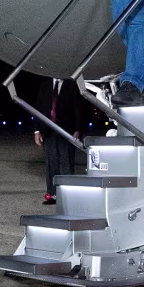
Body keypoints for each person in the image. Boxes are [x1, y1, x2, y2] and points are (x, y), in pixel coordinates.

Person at [33, 77, 82, 205]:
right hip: (48, 130)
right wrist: (37, 130)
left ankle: (68, 195)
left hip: (66, 131)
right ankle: (53, 194)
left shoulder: (72, 85)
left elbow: (78, 108)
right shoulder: (45, 86)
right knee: (51, 163)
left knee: (66, 163)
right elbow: (38, 109)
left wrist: (77, 129)